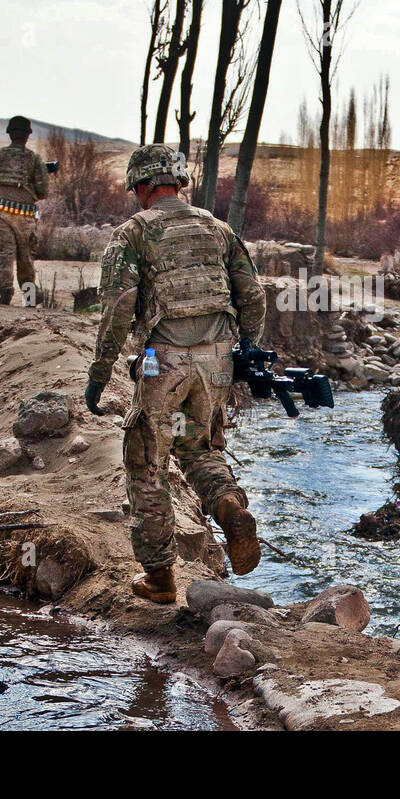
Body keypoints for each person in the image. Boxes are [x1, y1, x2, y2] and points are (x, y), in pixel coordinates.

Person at [84, 144, 267, 604]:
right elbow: (253, 295)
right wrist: (247, 349)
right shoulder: (219, 228)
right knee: (199, 449)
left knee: (148, 461)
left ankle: (161, 578)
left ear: (142, 187)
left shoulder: (133, 232)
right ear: (180, 183)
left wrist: (99, 371)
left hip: (162, 360)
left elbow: (120, 304)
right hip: (217, 360)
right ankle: (227, 507)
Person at [0, 116, 49, 305]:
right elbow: (43, 191)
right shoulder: (34, 159)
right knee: (25, 258)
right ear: (27, 136)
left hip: (2, 212)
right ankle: (30, 299)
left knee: (4, 254)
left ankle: (5, 294)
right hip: (26, 215)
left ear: (9, 133)